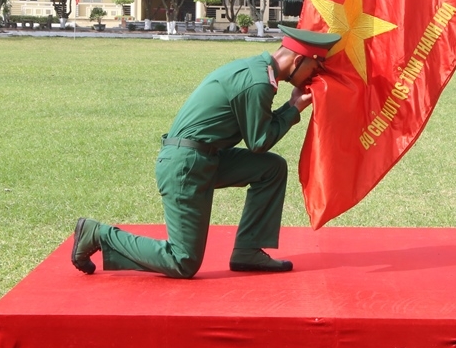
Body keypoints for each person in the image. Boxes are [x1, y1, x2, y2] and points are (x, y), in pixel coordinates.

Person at [71, 25, 341, 278]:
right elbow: (259, 142)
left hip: (202, 158)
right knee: (183, 261)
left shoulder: (256, 69)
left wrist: (289, 107)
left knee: (271, 169)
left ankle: (248, 250)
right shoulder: (259, 83)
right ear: (297, 62)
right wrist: (294, 108)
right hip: (186, 166)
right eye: (314, 68)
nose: (314, 76)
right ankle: (97, 234)